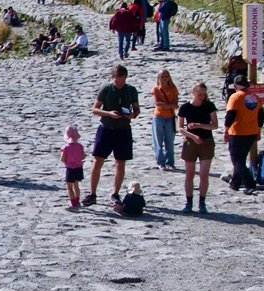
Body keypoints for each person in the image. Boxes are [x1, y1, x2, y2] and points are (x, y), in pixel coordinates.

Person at [82, 65, 140, 207]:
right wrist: (109, 113)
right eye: (118, 79)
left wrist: (132, 115)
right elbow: (95, 109)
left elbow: (137, 109)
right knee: (98, 161)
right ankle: (92, 193)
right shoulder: (106, 89)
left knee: (120, 162)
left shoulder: (131, 90)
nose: (121, 82)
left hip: (123, 129)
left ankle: (115, 193)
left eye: (123, 79)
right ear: (113, 77)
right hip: (106, 128)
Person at [178, 82, 217, 214]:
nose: (201, 97)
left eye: (203, 94)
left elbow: (214, 125)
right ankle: (189, 202)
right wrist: (193, 136)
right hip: (190, 142)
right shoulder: (185, 108)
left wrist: (199, 125)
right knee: (189, 174)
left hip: (206, 142)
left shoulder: (209, 106)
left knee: (204, 175)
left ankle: (202, 202)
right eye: (199, 94)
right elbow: (180, 127)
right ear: (193, 92)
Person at [224, 75, 264, 193]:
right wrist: (259, 131)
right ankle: (235, 184)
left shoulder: (235, 97)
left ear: (235, 86)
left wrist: (225, 130)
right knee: (241, 158)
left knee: (236, 160)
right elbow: (261, 116)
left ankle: (249, 184)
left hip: (237, 132)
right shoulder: (255, 97)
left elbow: (230, 115)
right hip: (251, 132)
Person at [150, 69, 180, 170]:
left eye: (166, 76)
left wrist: (166, 105)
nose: (164, 78)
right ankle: (160, 162)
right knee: (158, 141)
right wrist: (169, 105)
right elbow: (158, 104)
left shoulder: (173, 88)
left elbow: (176, 104)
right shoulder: (156, 89)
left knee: (170, 141)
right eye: (162, 76)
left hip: (170, 117)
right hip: (158, 117)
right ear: (159, 78)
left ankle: (170, 162)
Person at [60, 125, 85, 209]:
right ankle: (77, 201)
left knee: (69, 187)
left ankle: (73, 202)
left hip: (70, 169)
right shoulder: (80, 146)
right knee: (76, 186)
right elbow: (83, 157)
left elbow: (62, 159)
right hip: (78, 168)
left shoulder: (66, 147)